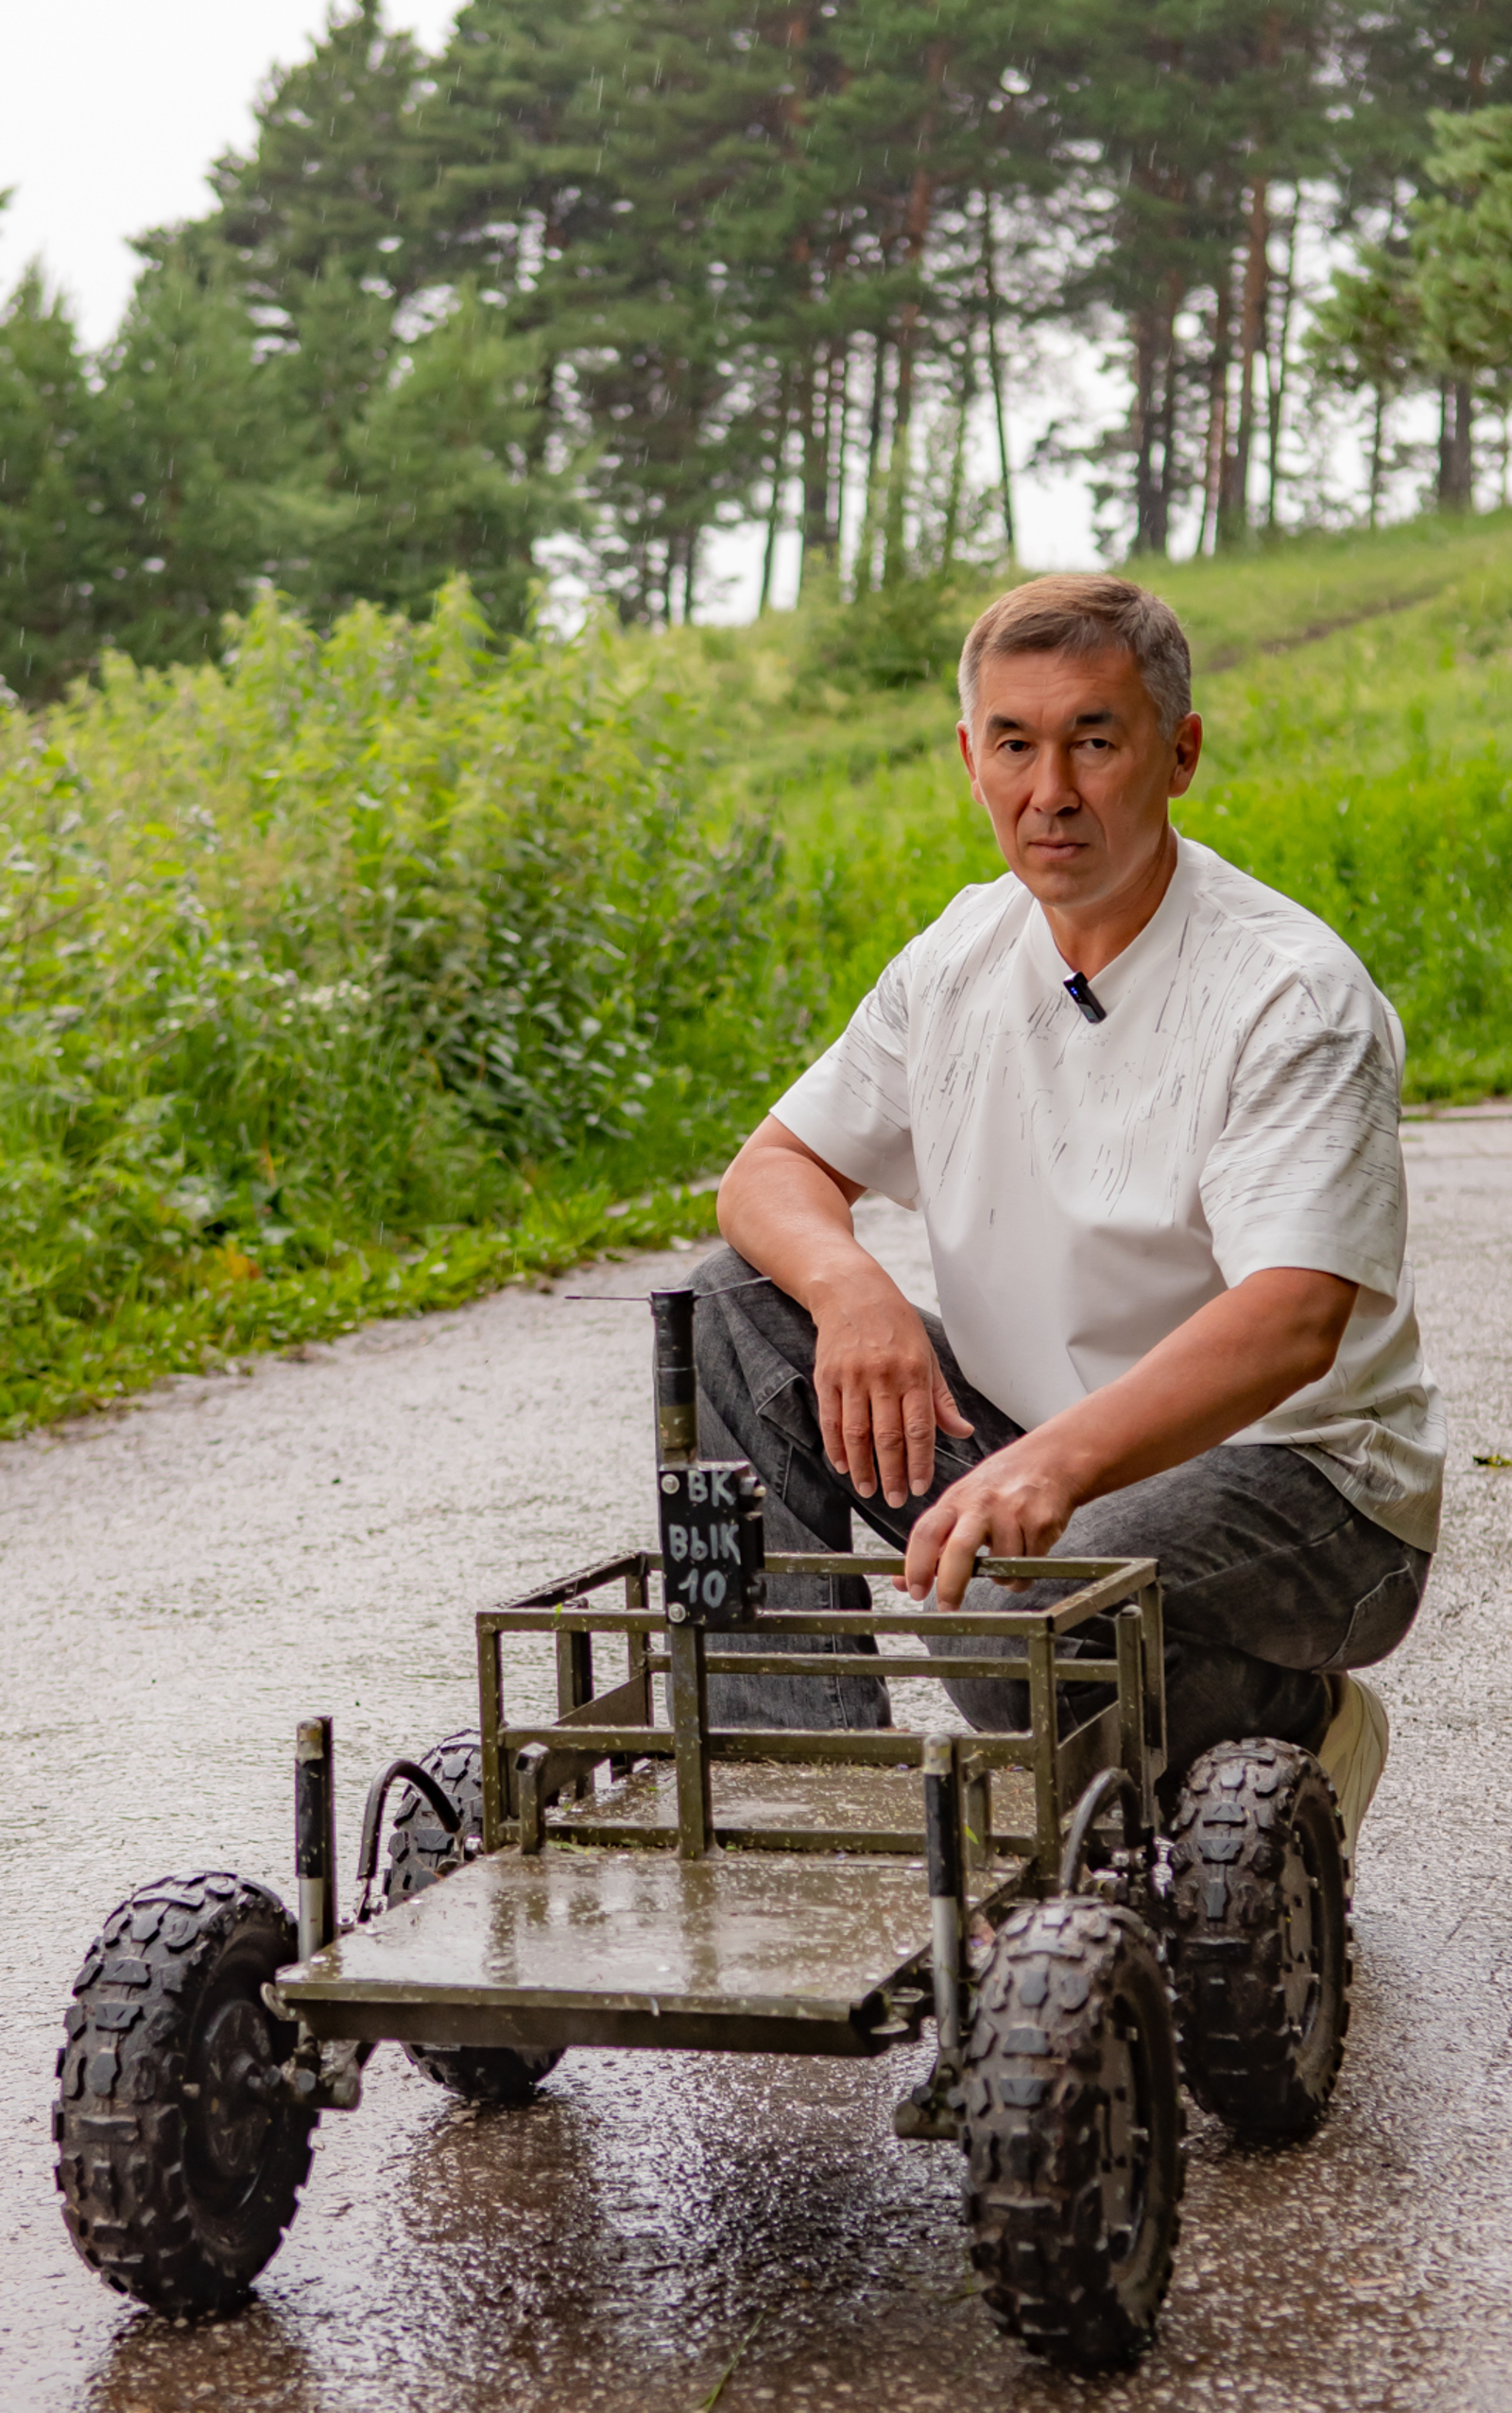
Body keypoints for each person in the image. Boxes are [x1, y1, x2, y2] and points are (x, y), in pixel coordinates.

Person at [692, 573, 1442, 1868]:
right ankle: (813, 1808)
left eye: (1096, 740)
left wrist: (1046, 1470)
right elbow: (769, 1172)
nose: (1053, 791)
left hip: (1307, 1479)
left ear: (1180, 753)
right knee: (736, 1305)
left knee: (1017, 1609)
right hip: (1040, 1446)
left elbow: (1291, 1321)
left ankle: (1287, 1729)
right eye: (1014, 742)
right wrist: (853, 1290)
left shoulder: (1288, 990)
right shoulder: (959, 956)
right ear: (970, 759)